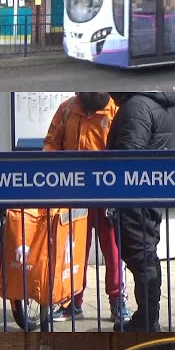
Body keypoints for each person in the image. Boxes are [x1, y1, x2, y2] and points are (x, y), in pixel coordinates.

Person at [44, 92, 131, 325]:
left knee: (113, 248)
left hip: (107, 194)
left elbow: (124, 148)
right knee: (74, 250)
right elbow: (51, 144)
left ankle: (117, 300)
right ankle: (72, 302)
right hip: (74, 194)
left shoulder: (115, 110)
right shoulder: (67, 109)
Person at [107, 92, 175, 332]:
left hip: (134, 199)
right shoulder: (150, 104)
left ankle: (147, 321)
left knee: (142, 257)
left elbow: (129, 162)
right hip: (147, 197)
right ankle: (147, 317)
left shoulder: (136, 108)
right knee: (145, 255)